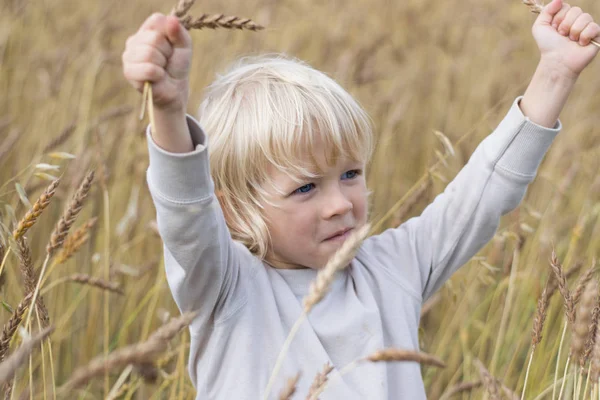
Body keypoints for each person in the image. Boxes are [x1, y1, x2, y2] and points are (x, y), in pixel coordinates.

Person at [122, 0, 599, 398]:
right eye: (305, 187)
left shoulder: (393, 268)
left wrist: (555, 72)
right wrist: (168, 110)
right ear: (234, 211)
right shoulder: (228, 291)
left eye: (350, 174)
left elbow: (483, 193)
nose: (340, 204)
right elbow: (187, 216)